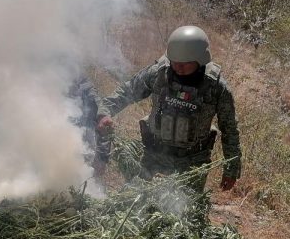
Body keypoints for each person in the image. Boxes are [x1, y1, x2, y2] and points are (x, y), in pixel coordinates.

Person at [93, 25, 241, 191]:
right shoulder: (159, 74)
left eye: (184, 64)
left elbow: (230, 129)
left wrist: (231, 168)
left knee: (186, 212)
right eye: (174, 62)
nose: (177, 67)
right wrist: (105, 113)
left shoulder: (216, 86)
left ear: (200, 60)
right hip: (154, 155)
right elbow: (126, 91)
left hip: (193, 162)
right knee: (136, 203)